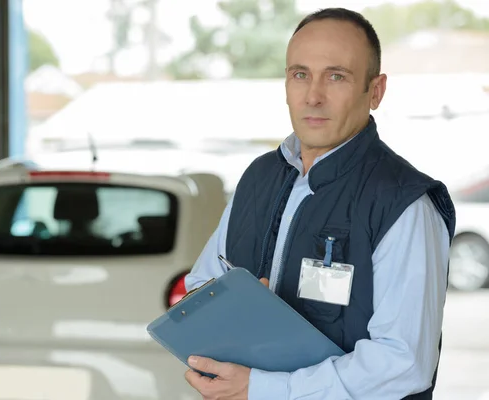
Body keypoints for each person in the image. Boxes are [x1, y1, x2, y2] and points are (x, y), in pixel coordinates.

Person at [182, 7, 455, 400]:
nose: (313, 95)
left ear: (375, 91)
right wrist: (221, 311)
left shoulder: (404, 203)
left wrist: (267, 389)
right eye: (300, 75)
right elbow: (200, 287)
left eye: (336, 76)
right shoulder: (258, 179)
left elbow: (403, 362)